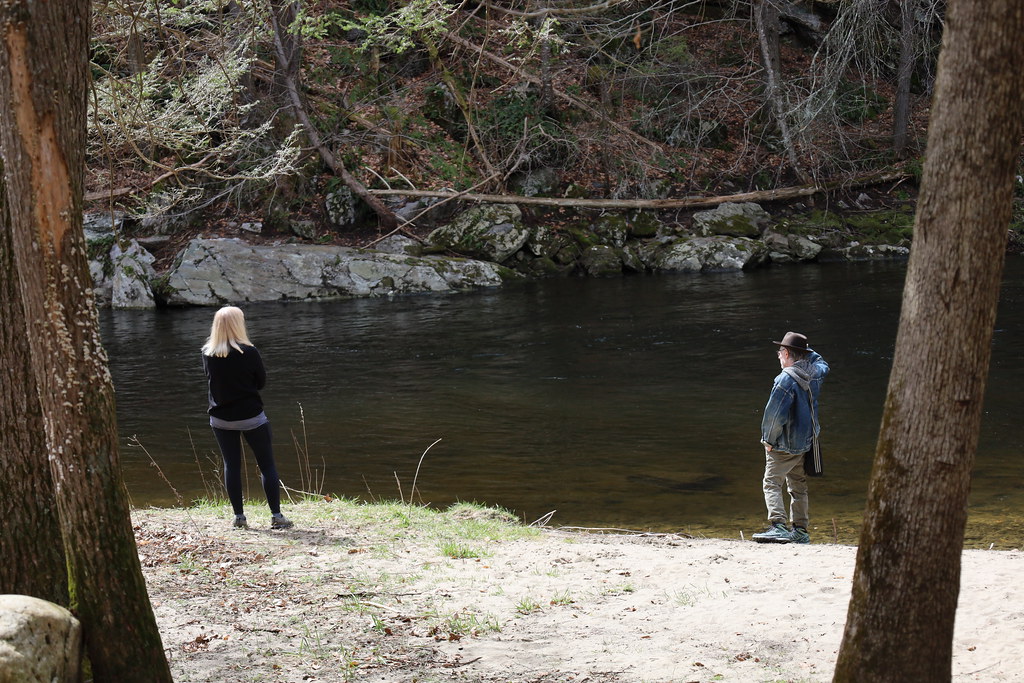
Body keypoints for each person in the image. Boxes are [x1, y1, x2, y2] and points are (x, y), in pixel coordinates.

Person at [202, 306, 292, 530]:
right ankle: (277, 516)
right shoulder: (249, 352)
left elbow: (212, 381)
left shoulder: (208, 353)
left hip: (220, 419)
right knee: (266, 465)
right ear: (238, 324)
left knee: (231, 465)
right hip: (250, 416)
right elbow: (261, 382)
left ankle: (239, 518)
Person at [752, 331, 829, 544]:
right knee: (798, 485)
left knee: (771, 482)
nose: (778, 356)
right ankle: (800, 531)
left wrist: (768, 440)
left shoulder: (785, 379)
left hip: (784, 444)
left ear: (786, 353)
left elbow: (775, 415)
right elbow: (822, 361)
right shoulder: (815, 372)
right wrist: (803, 349)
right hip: (806, 442)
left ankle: (778, 526)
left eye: (780, 352)